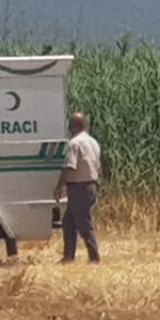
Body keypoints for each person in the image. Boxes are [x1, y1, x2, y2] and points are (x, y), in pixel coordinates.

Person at [54, 112, 102, 264]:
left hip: (79, 188)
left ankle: (94, 256)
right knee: (69, 222)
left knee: (83, 223)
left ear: (72, 126)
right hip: (91, 185)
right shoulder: (93, 142)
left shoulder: (74, 143)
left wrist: (59, 186)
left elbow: (70, 167)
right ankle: (68, 256)